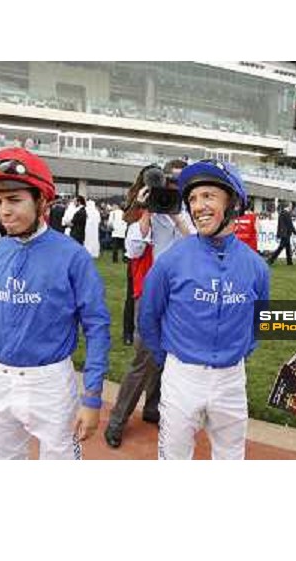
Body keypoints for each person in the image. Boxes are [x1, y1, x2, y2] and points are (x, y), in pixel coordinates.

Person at [0, 147, 111, 460]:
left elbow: (97, 327)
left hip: (51, 384)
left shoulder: (73, 256)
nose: (3, 211)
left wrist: (93, 397)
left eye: (14, 200)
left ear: (42, 201)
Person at [139, 160, 270, 460]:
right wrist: (172, 359)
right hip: (181, 376)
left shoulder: (256, 267)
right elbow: (149, 318)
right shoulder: (170, 262)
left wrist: (236, 354)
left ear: (233, 203)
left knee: (230, 459)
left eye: (208, 196)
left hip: (232, 380)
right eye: (193, 199)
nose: (198, 207)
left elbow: (258, 322)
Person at [104, 160, 194, 448]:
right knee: (143, 358)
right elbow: (132, 249)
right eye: (166, 186)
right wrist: (145, 212)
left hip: (178, 293)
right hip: (151, 292)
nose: (168, 192)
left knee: (167, 356)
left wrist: (177, 214)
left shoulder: (184, 211)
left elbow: (196, 245)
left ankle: (153, 408)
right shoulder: (142, 211)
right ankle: (117, 421)